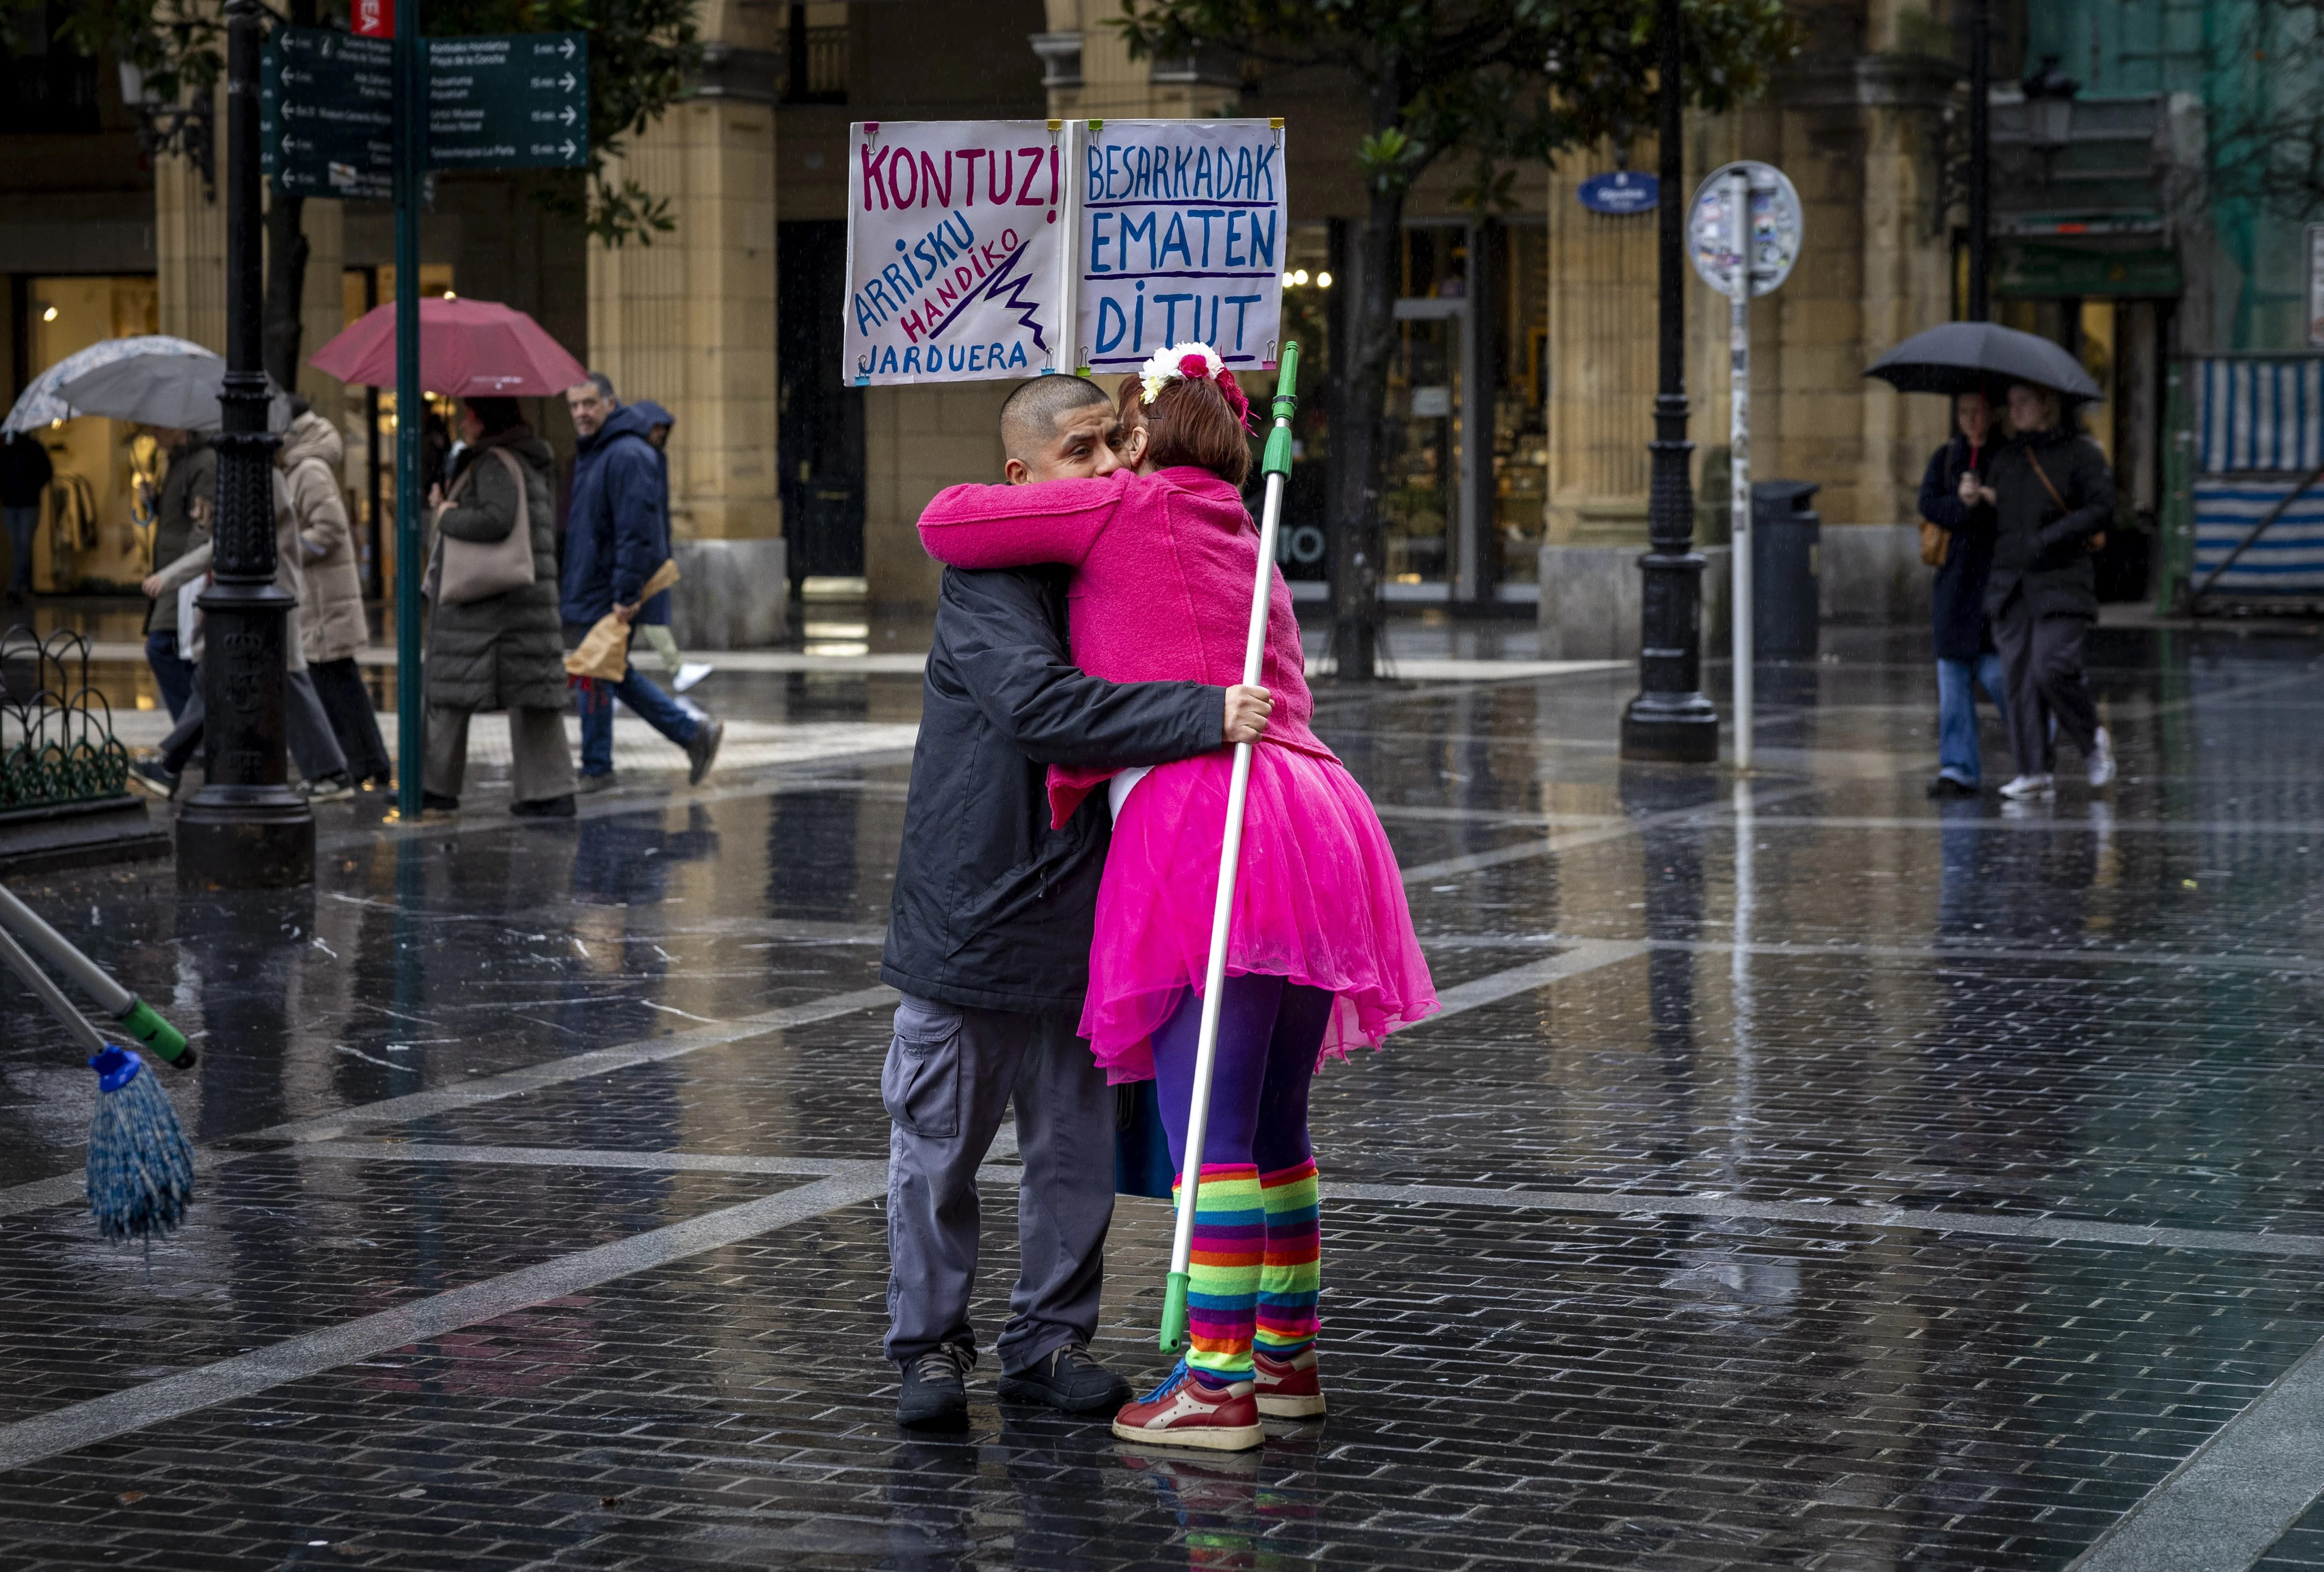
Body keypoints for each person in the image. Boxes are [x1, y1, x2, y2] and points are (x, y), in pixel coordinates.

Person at [918, 343, 1438, 1451]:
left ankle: (1213, 1384)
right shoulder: (1239, 532)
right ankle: (1283, 1359)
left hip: (1213, 824)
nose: (1105, 457)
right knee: (1273, 1123)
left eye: (1117, 435)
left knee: (1211, 1129)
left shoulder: (1121, 509)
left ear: (1144, 438)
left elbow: (944, 522)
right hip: (1321, 813)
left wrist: (1089, 482)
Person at [881, 372, 1274, 1431]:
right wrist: (1204, 712)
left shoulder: (1119, 557)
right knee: (937, 1155)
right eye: (1084, 451)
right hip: (970, 917)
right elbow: (1039, 706)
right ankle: (927, 1347)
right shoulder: (988, 578)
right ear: (1021, 477)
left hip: (1088, 927)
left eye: (1118, 445)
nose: (1110, 468)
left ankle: (1048, 1346)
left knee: (1072, 1157)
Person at [130, 450, 353, 801]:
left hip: (265, 600)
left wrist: (170, 576)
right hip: (264, 598)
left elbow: (235, 542)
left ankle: (331, 773)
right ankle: (170, 766)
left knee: (268, 680)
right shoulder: (266, 476)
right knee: (224, 679)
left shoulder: (264, 478)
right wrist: (209, 521)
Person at [562, 374, 723, 793]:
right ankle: (690, 735)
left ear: (610, 404)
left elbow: (636, 531)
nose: (581, 412)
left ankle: (599, 766)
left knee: (597, 671)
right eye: (574, 405)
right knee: (606, 672)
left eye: (589, 404)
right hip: (599, 585)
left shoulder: (626, 455)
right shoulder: (601, 453)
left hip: (611, 590)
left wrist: (625, 593)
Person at [420, 396, 576, 818]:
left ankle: (434, 786)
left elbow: (496, 519)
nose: (464, 423)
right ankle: (548, 791)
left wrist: (445, 514)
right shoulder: (525, 459)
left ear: (483, 419)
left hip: (491, 604)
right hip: (523, 605)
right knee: (533, 696)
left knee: (447, 688)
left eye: (469, 415)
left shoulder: (494, 462)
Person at [1973, 379, 2116, 799]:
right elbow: (1994, 519)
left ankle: (2091, 739)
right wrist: (1974, 498)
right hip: (2011, 581)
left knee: (2050, 665)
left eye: (2023, 403)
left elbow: (2101, 508)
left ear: (2046, 405)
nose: (2015, 411)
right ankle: (2032, 769)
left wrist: (2051, 536)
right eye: (2011, 403)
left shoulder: (2080, 453)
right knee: (2016, 675)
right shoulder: (2006, 457)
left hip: (2061, 579)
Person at [280, 401, 392, 791]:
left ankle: (359, 765)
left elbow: (329, 529)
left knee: (334, 684)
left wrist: (288, 549)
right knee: (339, 684)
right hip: (320, 598)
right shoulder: (298, 468)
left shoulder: (308, 470)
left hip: (323, 599)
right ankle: (366, 763)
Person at [1917, 387, 2011, 798]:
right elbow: (1929, 506)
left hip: (1995, 584)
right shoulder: (1947, 459)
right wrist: (1960, 503)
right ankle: (1957, 768)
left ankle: (2034, 744)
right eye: (1964, 412)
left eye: (1978, 412)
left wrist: (1988, 500)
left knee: (1998, 675)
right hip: (1954, 587)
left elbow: (2023, 511)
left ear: (1993, 416)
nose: (1971, 420)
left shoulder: (2008, 459)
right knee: (1952, 679)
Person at [626, 400, 710, 694]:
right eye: (656, 428)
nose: (660, 434)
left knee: (641, 613)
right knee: (643, 612)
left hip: (654, 547)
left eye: (664, 429)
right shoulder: (638, 459)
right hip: (642, 550)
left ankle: (610, 673)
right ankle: (674, 667)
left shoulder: (655, 458)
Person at [139, 427, 212, 719]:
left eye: (159, 427)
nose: (154, 433)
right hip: (174, 570)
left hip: (184, 573)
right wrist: (154, 501)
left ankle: (192, 732)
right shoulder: (175, 462)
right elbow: (183, 516)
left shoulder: (203, 462)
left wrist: (180, 574)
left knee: (164, 647)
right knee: (175, 650)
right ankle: (193, 733)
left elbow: (203, 523)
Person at [0, 430, 52, 605]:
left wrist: (32, 488)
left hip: (28, 504)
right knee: (17, 545)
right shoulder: (6, 450)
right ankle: (20, 584)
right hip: (10, 504)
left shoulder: (34, 448)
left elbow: (47, 472)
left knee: (24, 543)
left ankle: (19, 585)